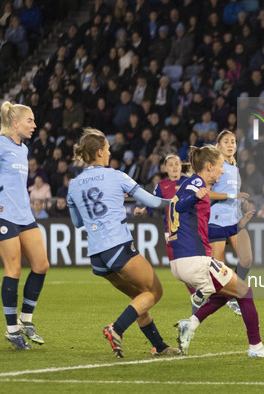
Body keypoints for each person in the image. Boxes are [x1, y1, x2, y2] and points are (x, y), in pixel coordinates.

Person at [67, 128, 181, 358]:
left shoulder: (74, 184)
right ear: (99, 152)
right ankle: (116, 328)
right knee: (154, 292)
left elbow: (78, 222)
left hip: (97, 257)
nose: (110, 154)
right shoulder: (116, 175)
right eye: (108, 150)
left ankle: (159, 346)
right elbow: (150, 200)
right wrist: (182, 201)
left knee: (139, 298)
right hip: (118, 246)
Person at [170, 145, 264, 357]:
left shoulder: (192, 185)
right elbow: (179, 206)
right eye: (220, 166)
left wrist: (240, 225)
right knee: (245, 292)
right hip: (194, 260)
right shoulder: (196, 184)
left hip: (180, 261)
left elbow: (190, 217)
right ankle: (256, 348)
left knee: (228, 293)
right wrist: (194, 197)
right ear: (208, 166)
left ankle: (191, 323)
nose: (223, 171)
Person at [0, 102, 49, 350]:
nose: (34, 125)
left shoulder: (23, 149)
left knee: (41, 265)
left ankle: (25, 320)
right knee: (13, 268)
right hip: (2, 214)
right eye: (30, 120)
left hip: (24, 215)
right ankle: (12, 329)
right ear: (15, 123)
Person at [133, 155, 196, 308]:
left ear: (181, 166)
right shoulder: (161, 186)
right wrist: (143, 211)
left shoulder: (189, 182)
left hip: (189, 229)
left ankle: (196, 295)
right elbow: (153, 202)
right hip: (171, 230)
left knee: (187, 265)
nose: (174, 167)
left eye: (177, 164)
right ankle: (197, 293)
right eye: (171, 165)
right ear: (165, 168)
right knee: (178, 269)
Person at [206, 130, 254, 316]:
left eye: (233, 141)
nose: (230, 144)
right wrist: (232, 195)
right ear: (218, 146)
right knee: (218, 267)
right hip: (217, 219)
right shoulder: (213, 167)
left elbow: (235, 195)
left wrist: (241, 203)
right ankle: (204, 296)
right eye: (226, 141)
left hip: (234, 220)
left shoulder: (235, 170)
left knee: (247, 258)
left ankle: (232, 297)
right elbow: (206, 193)